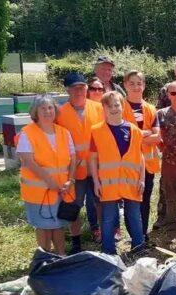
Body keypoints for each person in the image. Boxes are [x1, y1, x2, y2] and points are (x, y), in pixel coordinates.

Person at [17, 95, 76, 256]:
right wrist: (49, 181)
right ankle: (45, 259)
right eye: (43, 108)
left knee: (57, 225)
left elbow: (73, 158)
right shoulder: (27, 133)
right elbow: (28, 161)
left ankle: (61, 256)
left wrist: (70, 180)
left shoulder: (64, 132)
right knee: (43, 226)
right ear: (35, 111)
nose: (47, 111)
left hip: (61, 190)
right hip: (38, 192)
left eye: (50, 107)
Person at [89, 91, 145, 255]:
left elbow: (140, 156)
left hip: (131, 181)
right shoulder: (96, 131)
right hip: (108, 183)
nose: (113, 108)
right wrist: (96, 181)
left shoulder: (134, 130)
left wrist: (141, 179)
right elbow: (92, 159)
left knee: (134, 216)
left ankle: (138, 247)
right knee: (108, 218)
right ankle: (108, 251)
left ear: (122, 106)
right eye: (109, 106)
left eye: (116, 105)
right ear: (104, 108)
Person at [55, 73, 104, 252]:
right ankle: (76, 242)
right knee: (73, 205)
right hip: (73, 171)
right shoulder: (59, 113)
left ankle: (103, 235)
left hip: (96, 168)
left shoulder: (98, 108)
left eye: (82, 87)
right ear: (67, 89)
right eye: (74, 87)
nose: (79, 91)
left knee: (100, 203)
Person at [122, 70, 160, 243]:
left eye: (139, 83)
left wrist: (135, 136)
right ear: (125, 85)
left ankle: (143, 234)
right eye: (132, 83)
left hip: (148, 165)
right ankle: (133, 236)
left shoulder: (151, 109)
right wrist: (144, 134)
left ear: (144, 86)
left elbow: (157, 137)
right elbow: (120, 137)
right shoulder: (119, 107)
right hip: (127, 164)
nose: (136, 87)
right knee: (130, 201)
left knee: (145, 200)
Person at [154, 81, 176, 227]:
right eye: (173, 93)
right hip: (170, 164)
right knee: (170, 197)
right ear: (168, 95)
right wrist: (162, 147)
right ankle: (171, 222)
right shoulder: (161, 114)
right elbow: (156, 135)